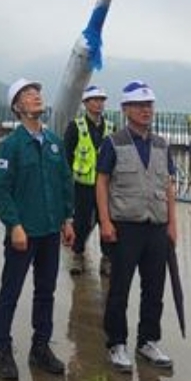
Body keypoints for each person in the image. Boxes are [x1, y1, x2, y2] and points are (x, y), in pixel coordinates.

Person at [0, 78, 75, 381]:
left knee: (45, 292)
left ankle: (40, 348)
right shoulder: (10, 146)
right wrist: (14, 225)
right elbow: (1, 191)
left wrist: (68, 219)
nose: (36, 96)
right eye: (28, 94)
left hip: (50, 230)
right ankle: (3, 351)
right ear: (17, 107)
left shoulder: (53, 141)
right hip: (23, 233)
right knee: (11, 292)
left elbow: (64, 181)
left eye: (37, 91)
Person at [96, 80, 177, 373]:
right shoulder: (114, 142)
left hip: (156, 225)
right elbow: (102, 182)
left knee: (154, 288)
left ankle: (148, 341)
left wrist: (172, 224)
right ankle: (116, 343)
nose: (146, 110)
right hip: (125, 226)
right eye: (139, 105)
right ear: (126, 109)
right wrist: (105, 222)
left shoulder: (161, 145)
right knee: (119, 288)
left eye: (149, 105)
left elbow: (168, 185)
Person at [63, 84, 114, 276]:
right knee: (81, 222)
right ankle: (78, 255)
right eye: (95, 100)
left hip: (106, 186)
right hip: (82, 186)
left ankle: (107, 258)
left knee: (106, 220)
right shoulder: (75, 127)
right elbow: (67, 156)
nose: (99, 104)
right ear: (85, 103)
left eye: (101, 100)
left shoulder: (111, 128)